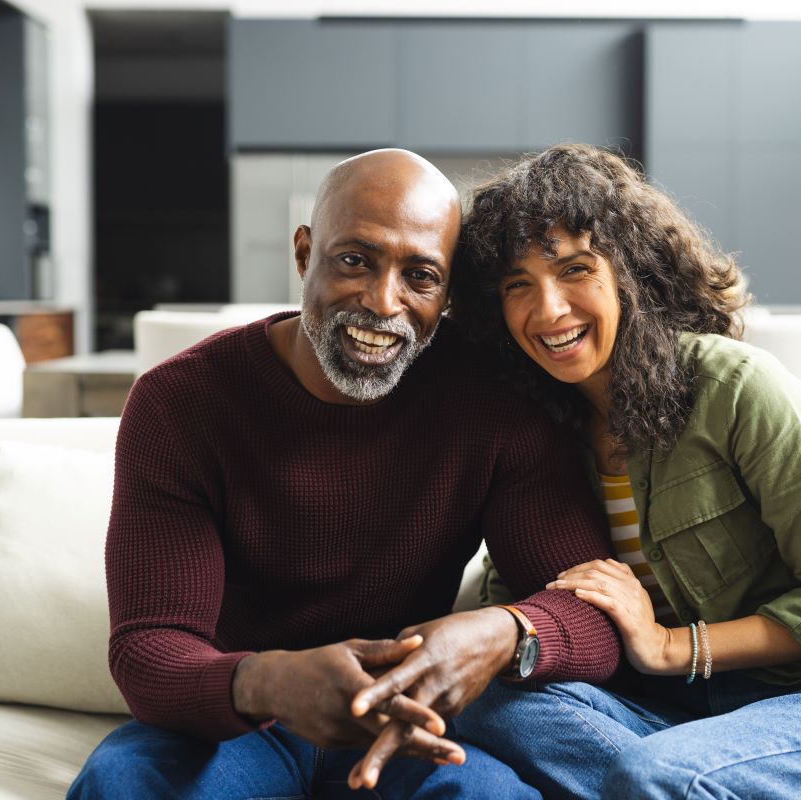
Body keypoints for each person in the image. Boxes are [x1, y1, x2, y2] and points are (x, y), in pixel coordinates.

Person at [68, 149, 623, 800]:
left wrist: (506, 633)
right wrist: (271, 681)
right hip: (236, 722)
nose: (381, 302)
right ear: (305, 254)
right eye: (355, 260)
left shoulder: (497, 403)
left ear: (447, 292)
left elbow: (593, 618)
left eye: (420, 276)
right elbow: (148, 648)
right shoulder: (180, 404)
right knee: (120, 786)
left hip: (404, 718)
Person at [447, 143, 801, 799]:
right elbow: (521, 588)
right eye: (518, 285)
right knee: (478, 704)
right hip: (674, 721)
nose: (548, 310)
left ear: (631, 269)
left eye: (574, 270)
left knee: (657, 774)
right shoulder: (541, 432)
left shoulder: (735, 387)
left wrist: (670, 645)